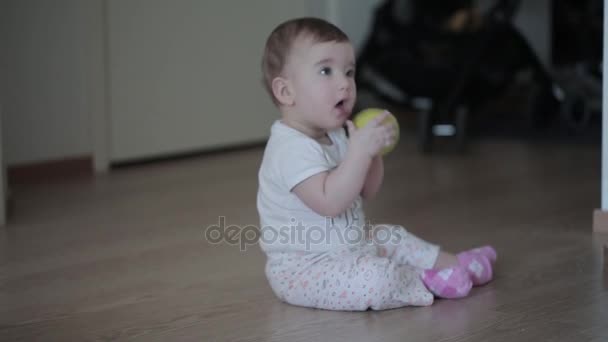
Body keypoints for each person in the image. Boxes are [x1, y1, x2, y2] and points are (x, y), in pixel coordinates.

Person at [256, 17, 496, 311]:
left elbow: (366, 191)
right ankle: (424, 280)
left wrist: (372, 154)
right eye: (325, 71)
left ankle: (453, 262)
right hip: (307, 269)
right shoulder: (289, 149)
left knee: (392, 235)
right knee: (374, 278)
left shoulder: (338, 136)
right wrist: (359, 153)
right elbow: (330, 202)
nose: (344, 83)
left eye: (349, 72)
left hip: (351, 246)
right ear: (286, 92)